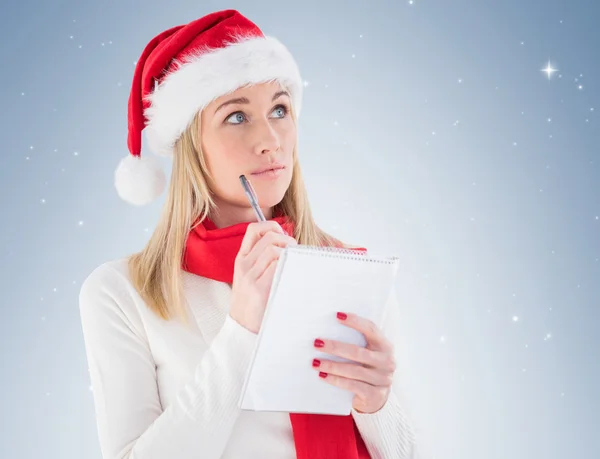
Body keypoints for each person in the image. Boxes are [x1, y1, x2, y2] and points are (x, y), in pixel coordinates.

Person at [79, 9, 420, 459]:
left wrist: (375, 404)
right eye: (236, 117)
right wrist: (240, 331)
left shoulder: (353, 275)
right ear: (190, 144)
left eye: (279, 110)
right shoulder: (122, 293)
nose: (271, 140)